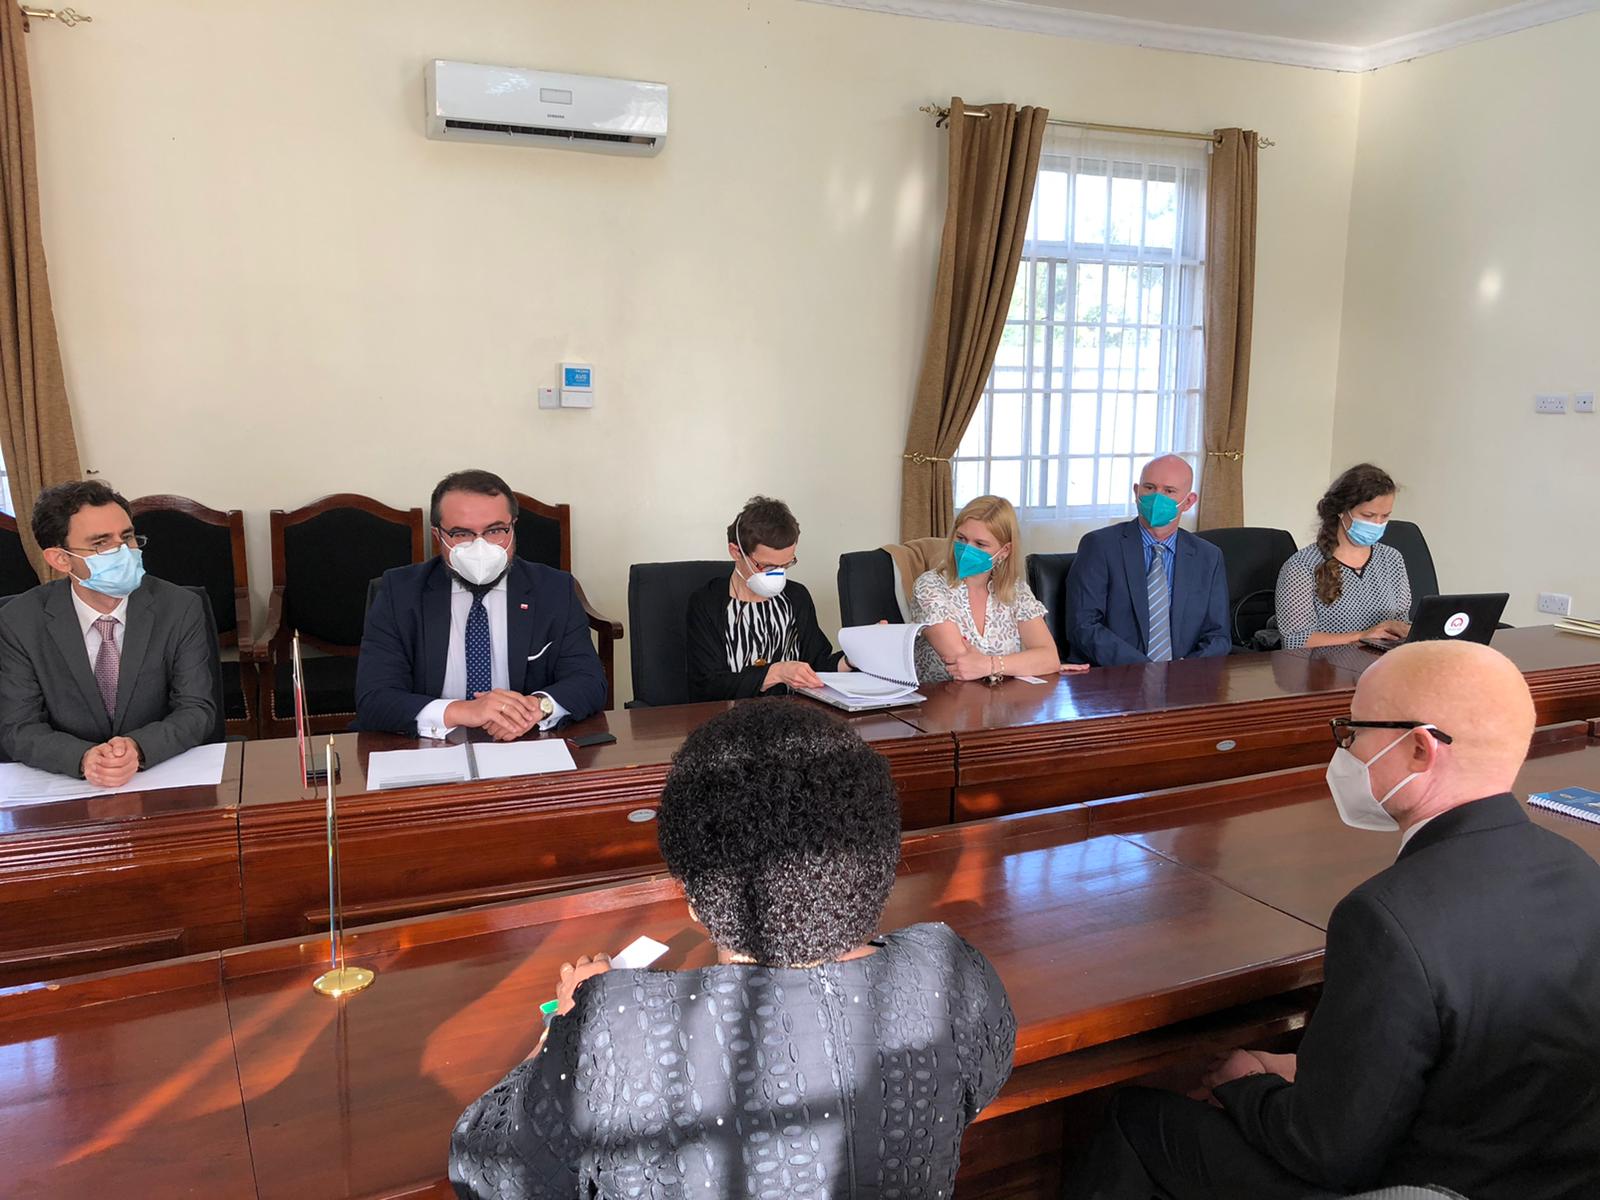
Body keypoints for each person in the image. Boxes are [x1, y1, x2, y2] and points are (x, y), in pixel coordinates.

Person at [1067, 640, 1600, 1200]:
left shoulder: (1387, 919)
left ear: (1419, 750)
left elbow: (1324, 1153)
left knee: (1138, 1116)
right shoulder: (1578, 869)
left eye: (1353, 732)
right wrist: (1310, 1072)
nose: (1345, 749)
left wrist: (1246, 1085)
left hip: (1417, 1186)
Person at [449, 699, 1017, 1199]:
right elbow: (976, 1083)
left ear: (694, 899)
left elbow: (484, 1170)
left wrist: (564, 1027)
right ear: (880, 863)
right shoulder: (951, 973)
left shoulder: (616, 1027)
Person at [354, 469, 606, 738]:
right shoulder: (399, 592)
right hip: (429, 743)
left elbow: (590, 682)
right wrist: (464, 711)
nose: (480, 547)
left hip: (523, 740)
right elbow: (374, 698)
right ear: (438, 537)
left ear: (513, 528)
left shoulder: (554, 589)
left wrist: (536, 707)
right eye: (461, 533)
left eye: (495, 530)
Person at [0, 480, 217, 783]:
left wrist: (137, 748)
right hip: (66, 784)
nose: (123, 552)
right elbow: (18, 727)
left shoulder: (179, 607)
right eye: (101, 543)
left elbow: (196, 709)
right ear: (61, 559)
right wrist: (84, 758)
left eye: (127, 537)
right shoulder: (19, 621)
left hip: (159, 774)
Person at [1067, 454, 1231, 666]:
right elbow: (1083, 626)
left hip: (1183, 677)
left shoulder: (1208, 556)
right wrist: (1148, 670)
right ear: (1137, 492)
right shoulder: (1100, 546)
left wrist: (1183, 670)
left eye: (1169, 491)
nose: (1156, 498)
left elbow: (1218, 636)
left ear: (1188, 502)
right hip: (1115, 675)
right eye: (1150, 487)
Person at [685, 495, 844, 700]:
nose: (778, 574)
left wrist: (854, 656)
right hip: (731, 716)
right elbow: (707, 686)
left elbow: (816, 667)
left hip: (795, 714)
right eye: (768, 566)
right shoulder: (706, 604)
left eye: (786, 564)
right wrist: (776, 672)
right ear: (736, 552)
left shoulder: (796, 597)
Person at [910, 494, 1076, 681]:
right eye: (961, 538)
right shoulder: (929, 586)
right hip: (944, 696)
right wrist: (1018, 663)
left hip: (1002, 696)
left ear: (1004, 551)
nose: (967, 549)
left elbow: (1049, 658)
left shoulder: (1016, 591)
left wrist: (989, 665)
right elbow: (963, 665)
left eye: (980, 544)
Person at [1276, 463, 1412, 650]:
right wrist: (1361, 636)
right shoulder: (1302, 566)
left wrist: (1406, 629)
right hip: (1326, 665)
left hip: (1383, 663)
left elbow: (1401, 621)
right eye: (1368, 515)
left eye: (1385, 516)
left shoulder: (1392, 559)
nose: (1377, 523)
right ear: (1341, 510)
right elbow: (1295, 640)